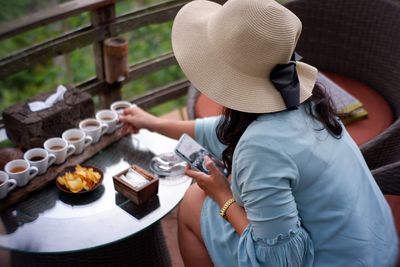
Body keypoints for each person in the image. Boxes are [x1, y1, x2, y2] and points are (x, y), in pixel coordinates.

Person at [119, 0, 398, 266]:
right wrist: (153, 122)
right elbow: (222, 132)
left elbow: (282, 261)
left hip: (330, 260)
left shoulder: (260, 148)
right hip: (376, 246)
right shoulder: (305, 101)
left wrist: (222, 196)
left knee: (193, 203)